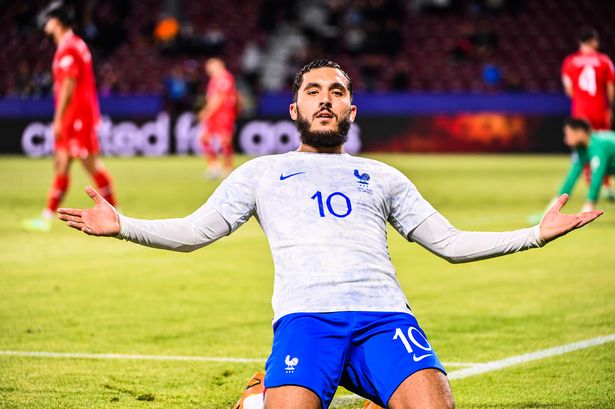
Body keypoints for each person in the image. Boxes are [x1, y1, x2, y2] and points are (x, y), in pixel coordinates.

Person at [58, 60, 602, 409]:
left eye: (336, 91)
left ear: (351, 110)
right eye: (313, 90)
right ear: (294, 108)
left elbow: (451, 244)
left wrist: (534, 234)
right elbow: (195, 232)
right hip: (306, 321)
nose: (325, 99)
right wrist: (123, 225)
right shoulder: (261, 172)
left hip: (384, 319)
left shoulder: (383, 176)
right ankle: (263, 391)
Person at [23, 1, 117, 232]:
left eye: (49, 19)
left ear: (57, 21)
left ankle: (115, 214)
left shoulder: (69, 47)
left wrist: (58, 119)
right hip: (74, 115)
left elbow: (68, 84)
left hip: (77, 116)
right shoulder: (73, 44)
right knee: (62, 163)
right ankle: (46, 217)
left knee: (90, 164)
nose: (45, 23)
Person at [561, 26, 615, 199]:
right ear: (593, 41)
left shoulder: (569, 62)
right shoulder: (604, 61)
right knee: (603, 148)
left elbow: (569, 90)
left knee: (583, 148)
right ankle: (605, 186)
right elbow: (611, 88)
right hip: (599, 110)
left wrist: (581, 99)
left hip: (580, 111)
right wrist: (609, 108)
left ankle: (590, 181)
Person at [197, 57, 239, 179]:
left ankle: (228, 168)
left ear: (219, 65)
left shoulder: (224, 77)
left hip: (223, 113)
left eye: (211, 65)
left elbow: (221, 98)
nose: (208, 68)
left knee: (225, 140)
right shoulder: (214, 80)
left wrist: (207, 112)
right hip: (214, 114)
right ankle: (214, 166)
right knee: (204, 138)